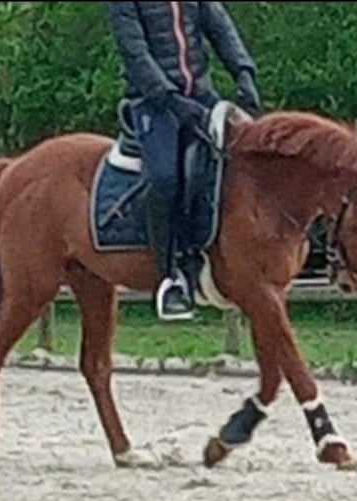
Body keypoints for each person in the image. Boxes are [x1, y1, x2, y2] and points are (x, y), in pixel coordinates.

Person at [108, 1, 261, 320]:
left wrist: (244, 72)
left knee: (244, 161)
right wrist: (169, 98)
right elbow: (135, 53)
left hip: (201, 97)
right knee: (164, 178)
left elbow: (220, 28)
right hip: (153, 103)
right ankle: (171, 277)